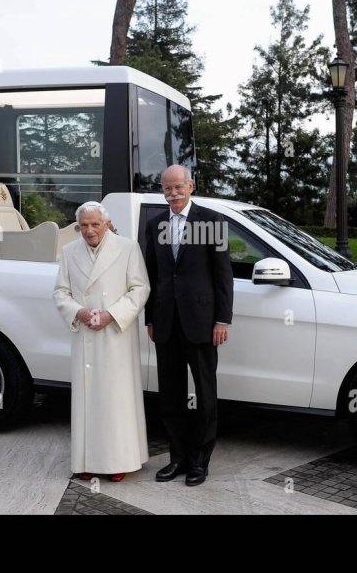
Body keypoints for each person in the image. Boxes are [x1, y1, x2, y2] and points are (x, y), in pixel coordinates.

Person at [144, 164, 234, 486]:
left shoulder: (211, 222)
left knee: (205, 394)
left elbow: (223, 275)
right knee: (170, 395)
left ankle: (200, 461)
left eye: (178, 187)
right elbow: (151, 276)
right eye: (167, 188)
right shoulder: (154, 225)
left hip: (202, 323)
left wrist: (222, 319)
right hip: (166, 324)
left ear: (190, 186)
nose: (173, 193)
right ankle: (178, 458)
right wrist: (150, 318)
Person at [54, 201, 150, 482]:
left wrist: (112, 314)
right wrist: (79, 312)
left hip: (115, 334)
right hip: (85, 333)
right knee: (87, 401)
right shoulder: (69, 251)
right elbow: (60, 292)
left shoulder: (127, 247)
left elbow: (140, 288)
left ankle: (119, 460)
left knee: (115, 401)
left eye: (95, 224)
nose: (89, 230)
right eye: (84, 225)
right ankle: (86, 460)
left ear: (106, 224)